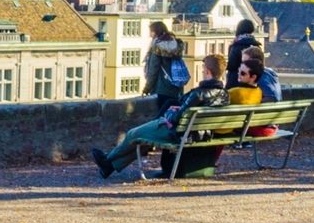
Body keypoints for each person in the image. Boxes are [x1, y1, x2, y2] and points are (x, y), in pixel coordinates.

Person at [91, 53, 226, 179]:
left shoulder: (199, 94)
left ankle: (107, 160)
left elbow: (177, 118)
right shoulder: (225, 95)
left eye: (203, 69)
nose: (202, 71)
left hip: (178, 133)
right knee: (142, 139)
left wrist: (173, 111)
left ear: (208, 71)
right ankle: (109, 166)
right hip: (201, 134)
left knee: (134, 134)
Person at [140, 22, 187, 117]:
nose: (150, 35)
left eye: (151, 32)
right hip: (176, 88)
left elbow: (153, 71)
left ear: (155, 32)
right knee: (172, 117)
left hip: (161, 89)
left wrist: (147, 88)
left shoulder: (157, 47)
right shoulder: (175, 45)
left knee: (161, 118)